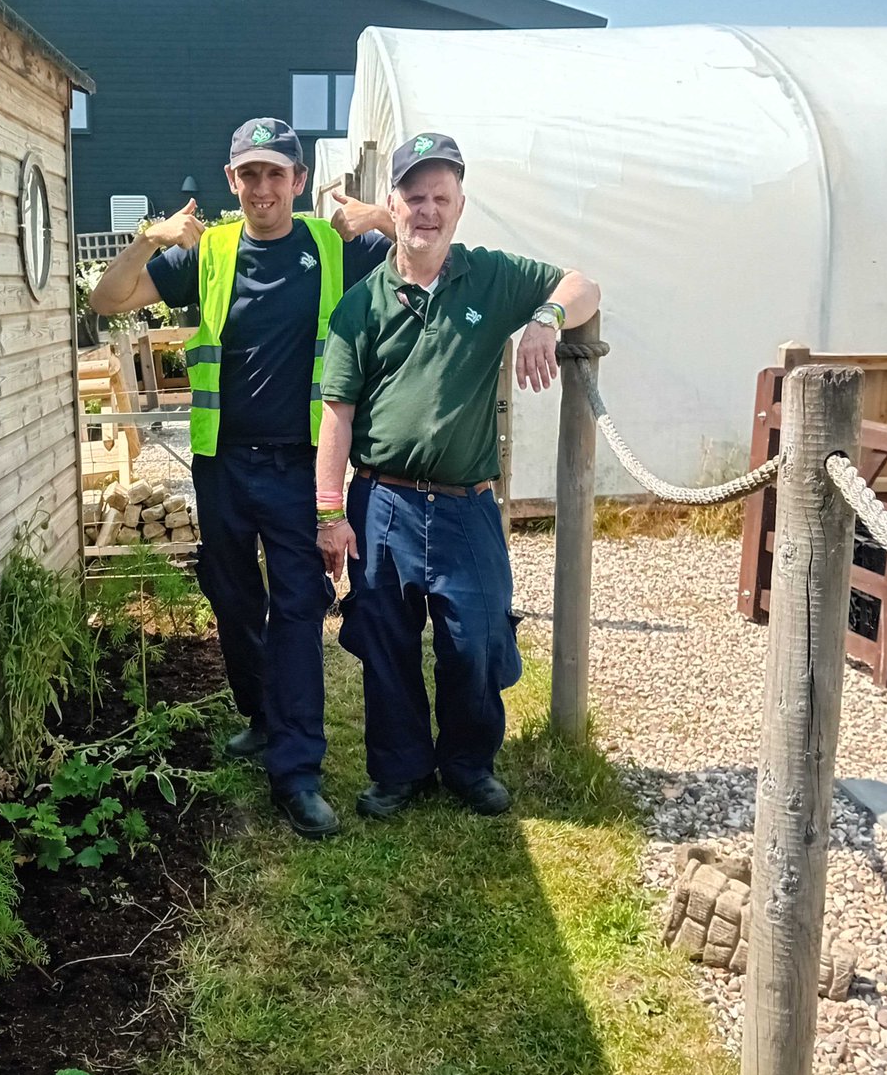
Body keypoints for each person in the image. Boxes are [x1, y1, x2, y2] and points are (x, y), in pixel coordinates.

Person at [91, 117, 392, 839]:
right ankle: (262, 715)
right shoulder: (210, 252)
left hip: (299, 466)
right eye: (248, 174)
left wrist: (380, 217)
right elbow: (107, 299)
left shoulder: (333, 245)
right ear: (232, 181)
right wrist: (149, 238)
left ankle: (297, 771)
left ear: (296, 181)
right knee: (231, 597)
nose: (262, 188)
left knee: (296, 610)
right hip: (222, 465)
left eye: (275, 174)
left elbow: (425, 252)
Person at [315, 132, 600, 820]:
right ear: (393, 205)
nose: (428, 210)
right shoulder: (360, 305)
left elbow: (584, 285)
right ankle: (400, 770)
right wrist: (330, 512)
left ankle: (469, 765)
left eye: (441, 197)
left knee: (477, 640)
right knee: (385, 641)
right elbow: (337, 415)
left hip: (467, 506)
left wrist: (545, 319)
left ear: (461, 205)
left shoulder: (491, 278)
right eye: (415, 197)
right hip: (382, 504)